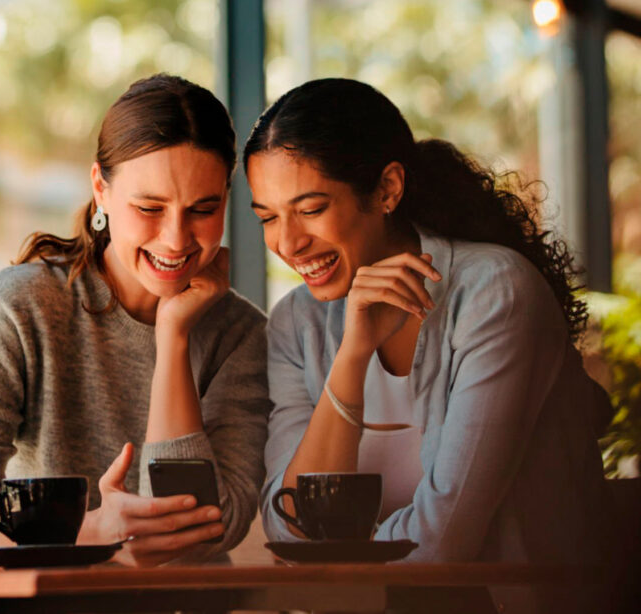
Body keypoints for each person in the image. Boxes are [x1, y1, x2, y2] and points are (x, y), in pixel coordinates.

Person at [244, 78, 613, 613]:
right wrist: (351, 356)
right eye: (268, 218)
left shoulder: (495, 292)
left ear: (388, 190)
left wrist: (327, 563)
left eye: (311, 208)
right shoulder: (296, 322)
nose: (288, 242)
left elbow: (442, 544)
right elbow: (289, 526)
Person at [0, 74, 270, 573]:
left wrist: (174, 337)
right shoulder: (25, 306)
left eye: (203, 209)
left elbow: (202, 530)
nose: (176, 239)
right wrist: (88, 535)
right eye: (150, 208)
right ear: (101, 189)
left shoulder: (241, 335)